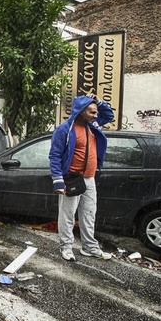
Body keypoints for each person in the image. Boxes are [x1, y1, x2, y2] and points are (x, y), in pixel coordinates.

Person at [49, 94, 115, 261]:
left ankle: (89, 247)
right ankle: (66, 247)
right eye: (92, 112)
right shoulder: (64, 130)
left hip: (89, 178)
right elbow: (55, 155)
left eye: (96, 112)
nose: (95, 115)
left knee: (89, 214)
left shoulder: (92, 125)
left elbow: (109, 115)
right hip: (72, 178)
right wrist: (58, 181)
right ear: (81, 111)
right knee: (67, 215)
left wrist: (98, 102)